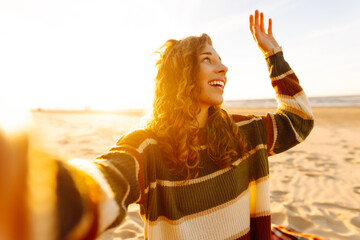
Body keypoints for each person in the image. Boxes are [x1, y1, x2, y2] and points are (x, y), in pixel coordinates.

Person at [0, 10, 317, 240]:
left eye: (220, 59)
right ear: (181, 75)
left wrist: (273, 55)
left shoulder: (244, 132)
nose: (223, 66)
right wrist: (43, 193)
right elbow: (110, 179)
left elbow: (300, 121)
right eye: (208, 59)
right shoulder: (148, 146)